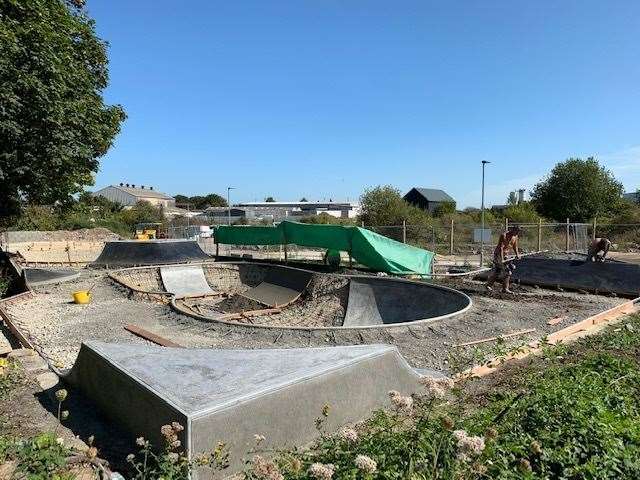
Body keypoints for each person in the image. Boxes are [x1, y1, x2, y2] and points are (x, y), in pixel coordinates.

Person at [486, 225, 521, 294]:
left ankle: (488, 285)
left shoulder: (515, 236)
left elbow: (515, 246)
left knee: (498, 271)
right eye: (516, 231)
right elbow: (501, 247)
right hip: (498, 255)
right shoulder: (504, 235)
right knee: (507, 272)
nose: (517, 233)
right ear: (512, 230)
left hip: (506, 255)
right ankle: (505, 289)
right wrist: (501, 259)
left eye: (518, 232)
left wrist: (517, 254)